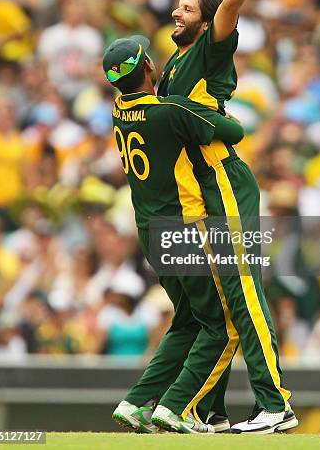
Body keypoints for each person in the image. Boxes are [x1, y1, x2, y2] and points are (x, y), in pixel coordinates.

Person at [153, 0, 297, 434]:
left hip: (224, 182)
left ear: (205, 19)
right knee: (223, 298)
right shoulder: (177, 59)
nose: (176, 12)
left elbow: (228, 1)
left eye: (186, 9)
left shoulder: (213, 47)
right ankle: (210, 409)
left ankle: (275, 403)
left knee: (243, 290)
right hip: (202, 192)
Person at [103, 35, 245, 433]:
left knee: (187, 323)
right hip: (185, 227)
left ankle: (135, 402)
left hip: (149, 231)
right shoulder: (171, 111)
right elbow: (234, 132)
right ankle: (174, 405)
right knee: (222, 324)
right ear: (148, 67)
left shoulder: (118, 108)